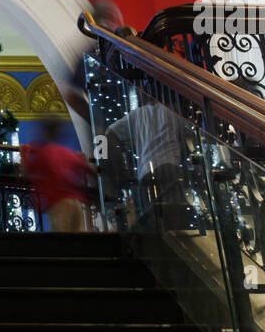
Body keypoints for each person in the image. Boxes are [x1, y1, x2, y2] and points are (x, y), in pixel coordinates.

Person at [108, 97, 189, 229]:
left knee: (152, 217)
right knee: (176, 212)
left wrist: (120, 168)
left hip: (145, 171)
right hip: (169, 167)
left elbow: (109, 133)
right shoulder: (171, 112)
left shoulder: (135, 115)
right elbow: (188, 129)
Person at [19, 121, 94, 232]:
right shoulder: (64, 152)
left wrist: (23, 154)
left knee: (60, 241)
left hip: (59, 203)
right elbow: (86, 168)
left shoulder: (43, 152)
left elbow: (27, 171)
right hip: (76, 202)